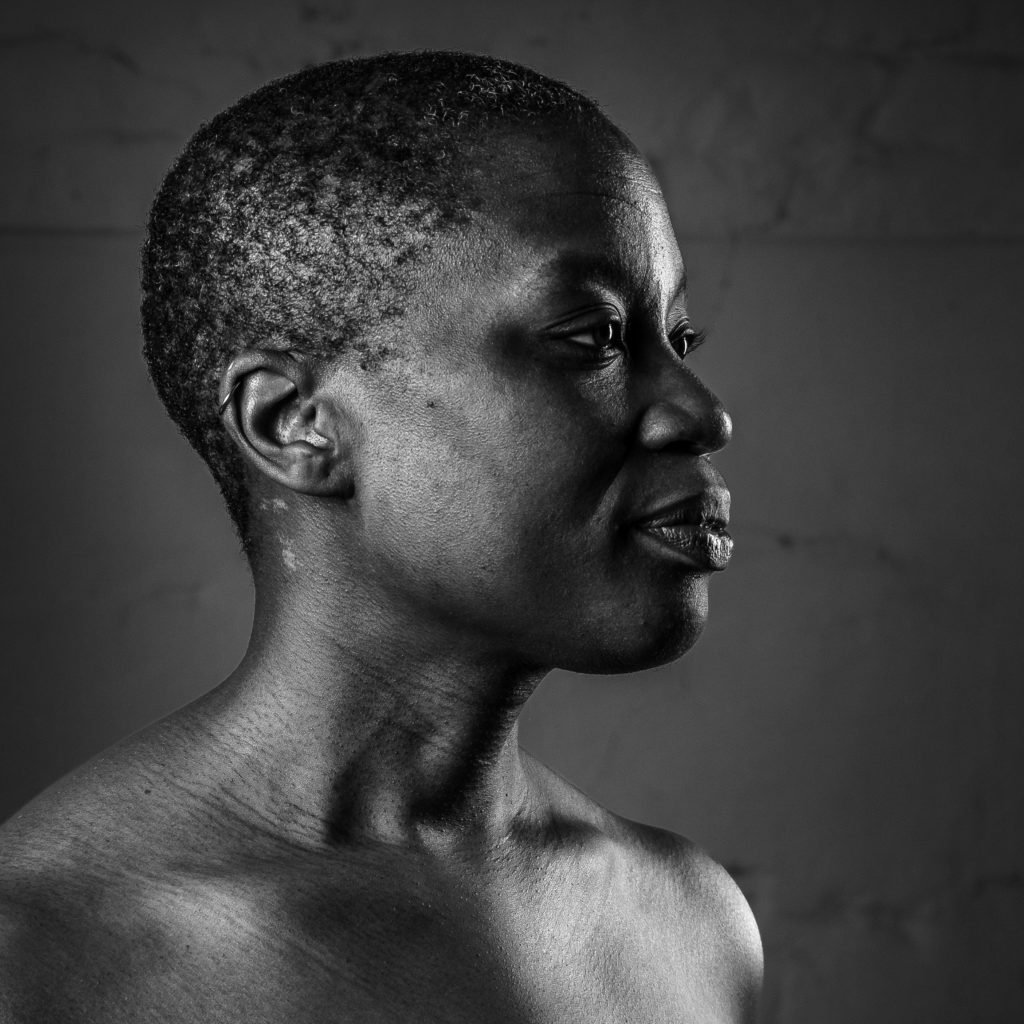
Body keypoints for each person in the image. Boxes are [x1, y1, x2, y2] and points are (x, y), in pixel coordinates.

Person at [0, 52, 761, 1022]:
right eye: (593, 336)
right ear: (295, 425)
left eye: (678, 338)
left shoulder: (689, 924)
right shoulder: (47, 962)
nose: (699, 412)